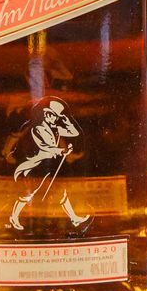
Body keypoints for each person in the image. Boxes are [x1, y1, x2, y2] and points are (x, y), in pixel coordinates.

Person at [8, 98, 90, 231]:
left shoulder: (55, 128)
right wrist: (63, 150)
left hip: (50, 166)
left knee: (62, 194)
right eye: (53, 115)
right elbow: (46, 148)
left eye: (56, 116)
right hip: (37, 164)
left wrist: (65, 120)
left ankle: (74, 218)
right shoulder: (39, 128)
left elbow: (74, 132)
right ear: (46, 114)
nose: (54, 118)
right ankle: (14, 217)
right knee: (28, 194)